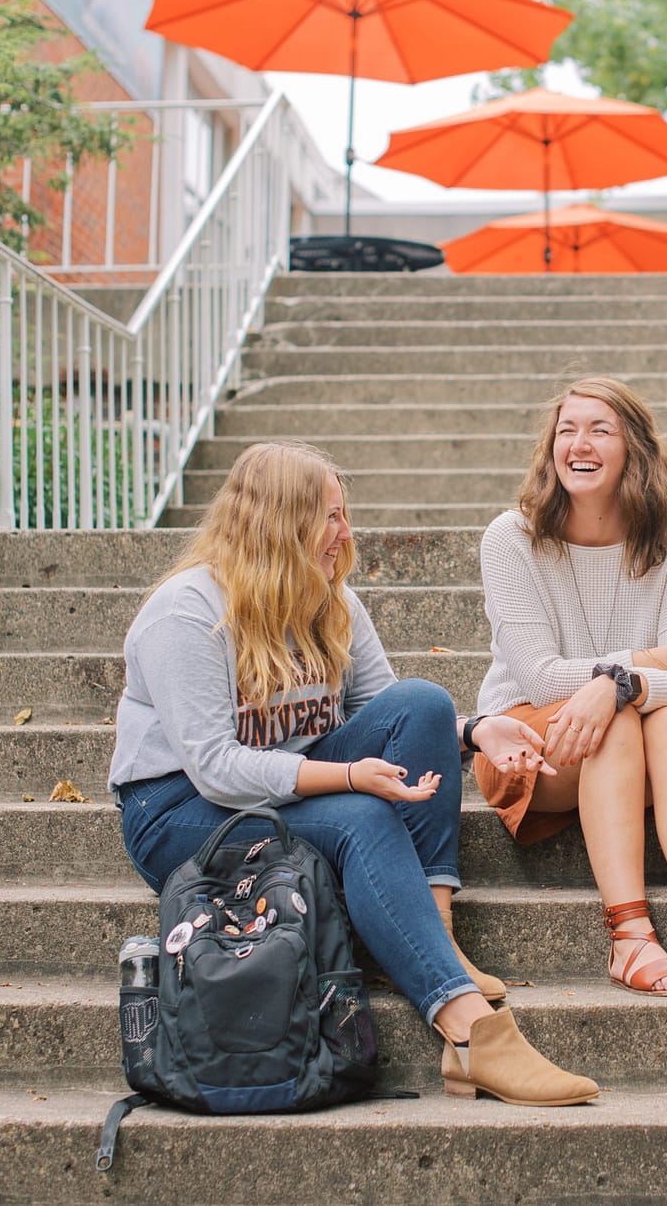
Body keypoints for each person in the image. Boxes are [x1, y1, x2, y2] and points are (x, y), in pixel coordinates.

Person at [109, 441, 597, 1106]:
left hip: (290, 776)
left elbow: (387, 719)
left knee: (423, 703)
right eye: (331, 517)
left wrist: (474, 732)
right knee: (361, 815)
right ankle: (468, 1033)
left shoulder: (331, 600)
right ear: (281, 521)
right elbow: (217, 768)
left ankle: (434, 934)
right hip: (176, 809)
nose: (347, 533)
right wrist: (347, 779)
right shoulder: (188, 612)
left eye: (344, 515)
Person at [473, 377, 667, 1000]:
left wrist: (617, 685)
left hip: (636, 741)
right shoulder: (512, 538)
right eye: (567, 429)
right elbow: (541, 677)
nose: (580, 443)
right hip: (525, 741)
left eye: (600, 429)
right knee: (622, 716)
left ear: (633, 448)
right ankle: (629, 937)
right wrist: (636, 669)